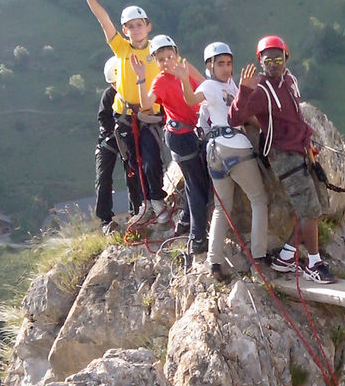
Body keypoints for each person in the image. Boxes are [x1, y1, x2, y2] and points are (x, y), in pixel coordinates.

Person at [228, 35, 336, 284]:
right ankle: (314, 263)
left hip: (301, 150)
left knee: (315, 206)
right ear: (260, 62)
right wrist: (243, 91)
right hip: (284, 156)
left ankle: (287, 256)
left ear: (286, 58)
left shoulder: (290, 81)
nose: (274, 64)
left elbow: (295, 115)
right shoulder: (260, 90)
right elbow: (235, 118)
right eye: (268, 61)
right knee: (309, 210)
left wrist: (306, 140)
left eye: (278, 59)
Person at [81, 0, 168, 225]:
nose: (135, 29)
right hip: (125, 116)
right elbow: (103, 20)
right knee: (134, 164)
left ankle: (156, 200)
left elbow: (177, 68)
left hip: (150, 114)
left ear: (148, 26)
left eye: (139, 24)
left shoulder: (158, 48)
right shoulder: (120, 48)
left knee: (151, 160)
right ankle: (142, 205)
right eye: (130, 27)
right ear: (125, 31)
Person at [196, 42, 269, 280]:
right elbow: (242, 115)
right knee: (259, 200)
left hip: (214, 152)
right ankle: (258, 258)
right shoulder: (209, 86)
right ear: (210, 66)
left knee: (221, 208)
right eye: (221, 64)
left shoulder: (230, 85)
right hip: (236, 148)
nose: (227, 68)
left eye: (229, 63)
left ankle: (214, 261)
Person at [133, 35, 209, 256]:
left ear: (177, 53)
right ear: (156, 61)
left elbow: (205, 85)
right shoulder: (160, 81)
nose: (167, 62)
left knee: (197, 182)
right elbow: (147, 105)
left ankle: (185, 220)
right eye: (162, 59)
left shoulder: (186, 68)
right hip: (180, 136)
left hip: (196, 131)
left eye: (170, 56)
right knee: (197, 187)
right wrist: (140, 79)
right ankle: (197, 237)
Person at [94, 57, 143, 234]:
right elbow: (103, 119)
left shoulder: (134, 92)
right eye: (113, 83)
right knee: (103, 176)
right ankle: (105, 218)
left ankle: (137, 210)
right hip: (110, 138)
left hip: (128, 136)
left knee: (132, 171)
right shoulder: (109, 95)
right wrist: (113, 135)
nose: (116, 85)